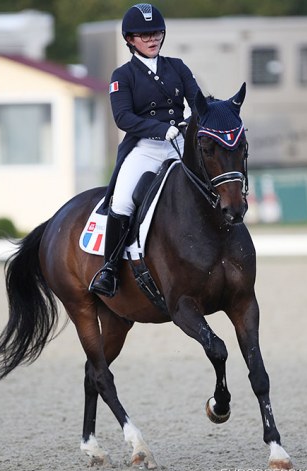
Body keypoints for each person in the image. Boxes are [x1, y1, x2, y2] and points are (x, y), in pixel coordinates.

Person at [89, 3, 199, 297]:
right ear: (130, 39)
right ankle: (109, 269)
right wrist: (161, 129)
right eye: (144, 35)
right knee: (123, 202)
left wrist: (198, 119)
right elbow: (123, 117)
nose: (153, 39)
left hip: (179, 147)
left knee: (209, 185)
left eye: (157, 33)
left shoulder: (177, 66)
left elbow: (197, 100)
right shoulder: (122, 75)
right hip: (145, 148)